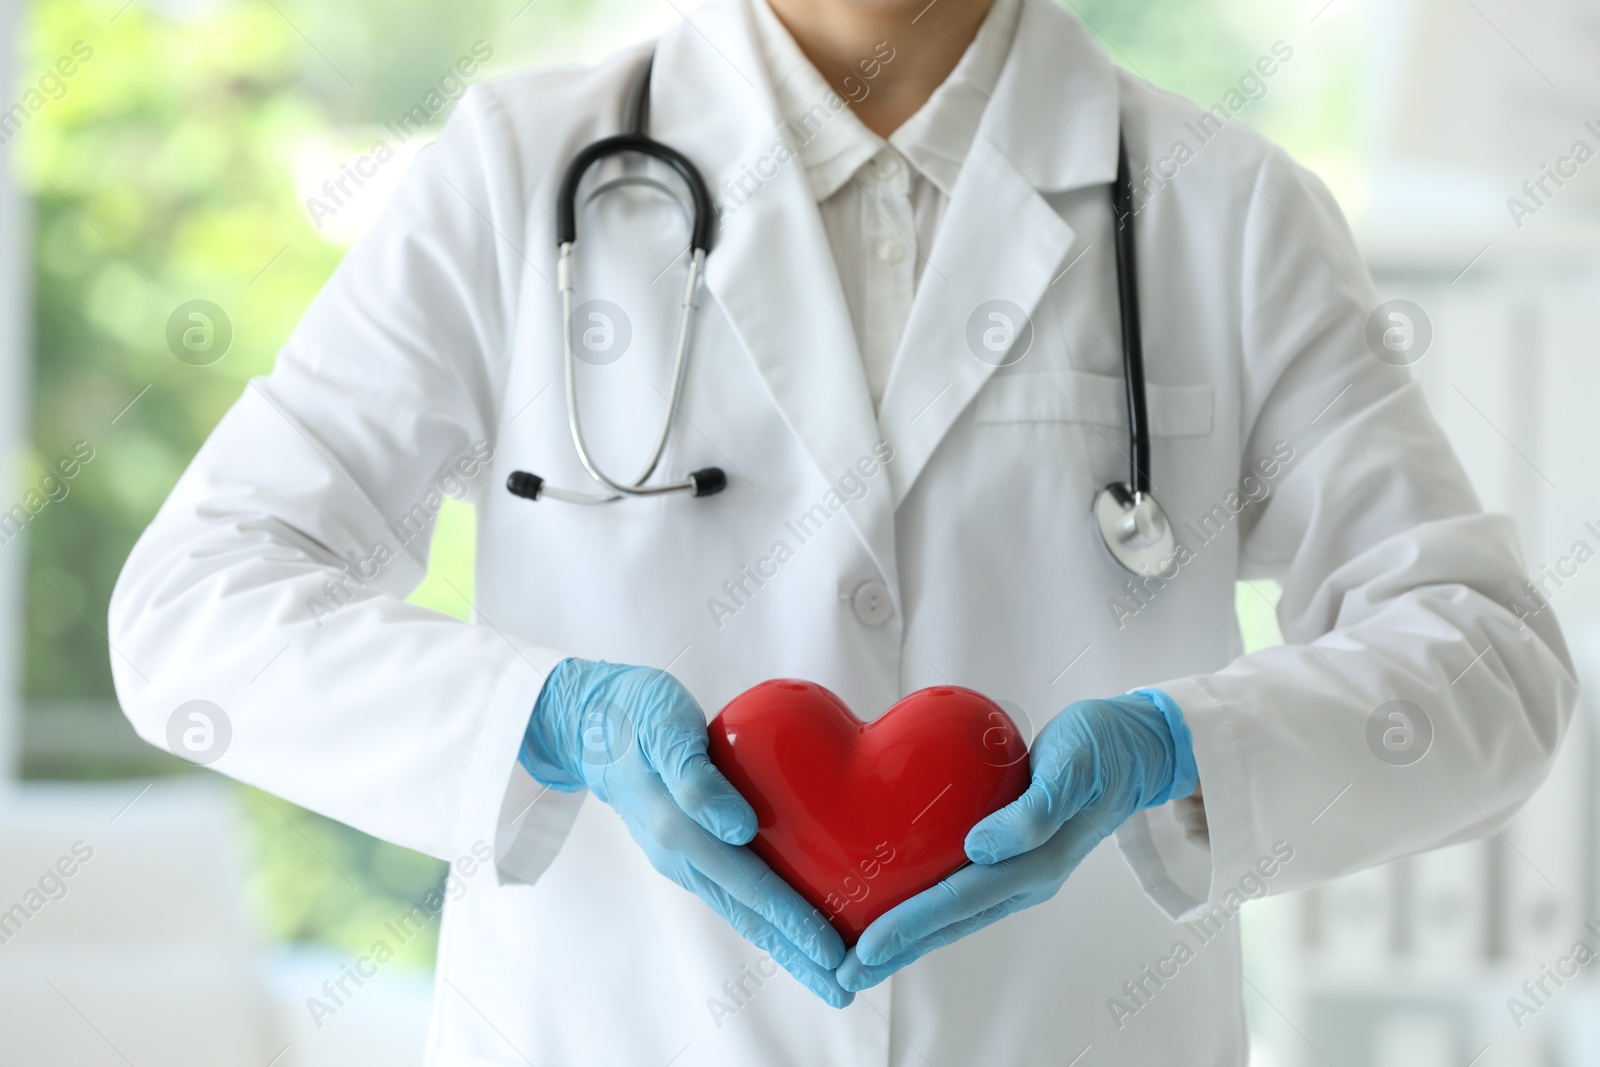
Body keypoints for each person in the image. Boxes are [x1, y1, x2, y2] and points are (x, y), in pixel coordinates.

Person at [109, 0, 1576, 1061]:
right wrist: (545, 720)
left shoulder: (1226, 211)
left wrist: (1180, 751)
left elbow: (1489, 665)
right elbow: (195, 605)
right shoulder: (517, 176)